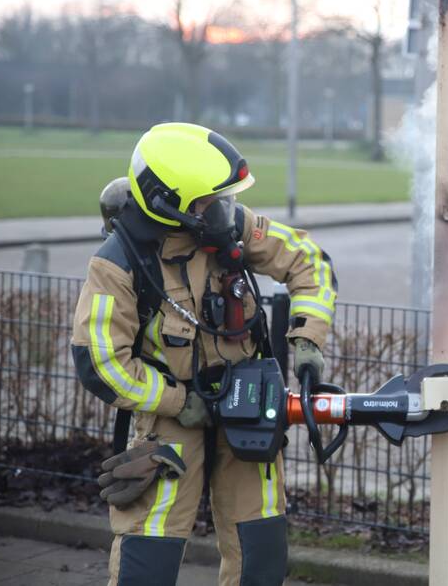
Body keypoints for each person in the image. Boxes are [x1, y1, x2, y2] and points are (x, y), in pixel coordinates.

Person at [70, 122, 337, 586]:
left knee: (261, 551)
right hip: (172, 423)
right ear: (170, 204)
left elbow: (307, 259)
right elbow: (101, 362)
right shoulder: (117, 264)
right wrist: (179, 402)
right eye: (209, 202)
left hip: (248, 411)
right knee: (149, 555)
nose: (225, 210)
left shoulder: (228, 228)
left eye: (225, 199)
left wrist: (308, 339)